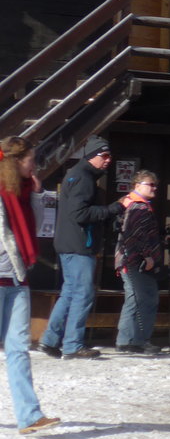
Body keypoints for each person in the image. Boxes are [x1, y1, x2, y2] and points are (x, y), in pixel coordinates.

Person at [39, 135, 122, 360]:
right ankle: (73, 345)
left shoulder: (79, 175)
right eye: (104, 156)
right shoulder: (83, 177)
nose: (108, 160)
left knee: (69, 293)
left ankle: (49, 340)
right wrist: (114, 208)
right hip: (78, 246)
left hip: (70, 244)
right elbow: (80, 214)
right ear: (91, 156)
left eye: (110, 156)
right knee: (83, 294)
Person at [0, 137, 61, 434]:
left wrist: (36, 196)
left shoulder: (23, 192)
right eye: (30, 160)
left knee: (19, 349)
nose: (34, 165)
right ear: (15, 161)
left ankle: (29, 416)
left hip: (18, 279)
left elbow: (31, 232)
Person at [115, 170, 164, 354]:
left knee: (134, 299)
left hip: (129, 259)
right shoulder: (139, 207)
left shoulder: (129, 203)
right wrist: (147, 256)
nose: (154, 188)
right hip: (135, 260)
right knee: (145, 298)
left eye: (155, 185)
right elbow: (134, 234)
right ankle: (137, 340)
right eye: (150, 184)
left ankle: (127, 341)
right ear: (137, 186)